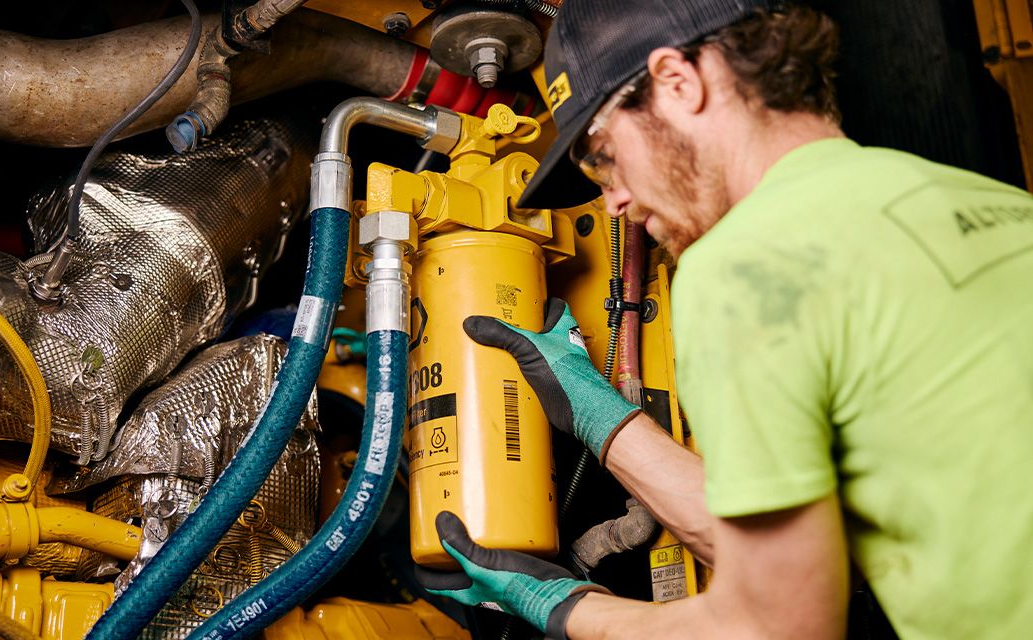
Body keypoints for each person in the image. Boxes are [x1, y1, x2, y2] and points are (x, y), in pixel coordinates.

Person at [414, 1, 1033, 638]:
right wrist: (598, 413)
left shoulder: (744, 264)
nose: (614, 201)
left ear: (679, 82)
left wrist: (569, 610)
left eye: (601, 154)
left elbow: (779, 627)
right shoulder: (993, 201)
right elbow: (796, 549)